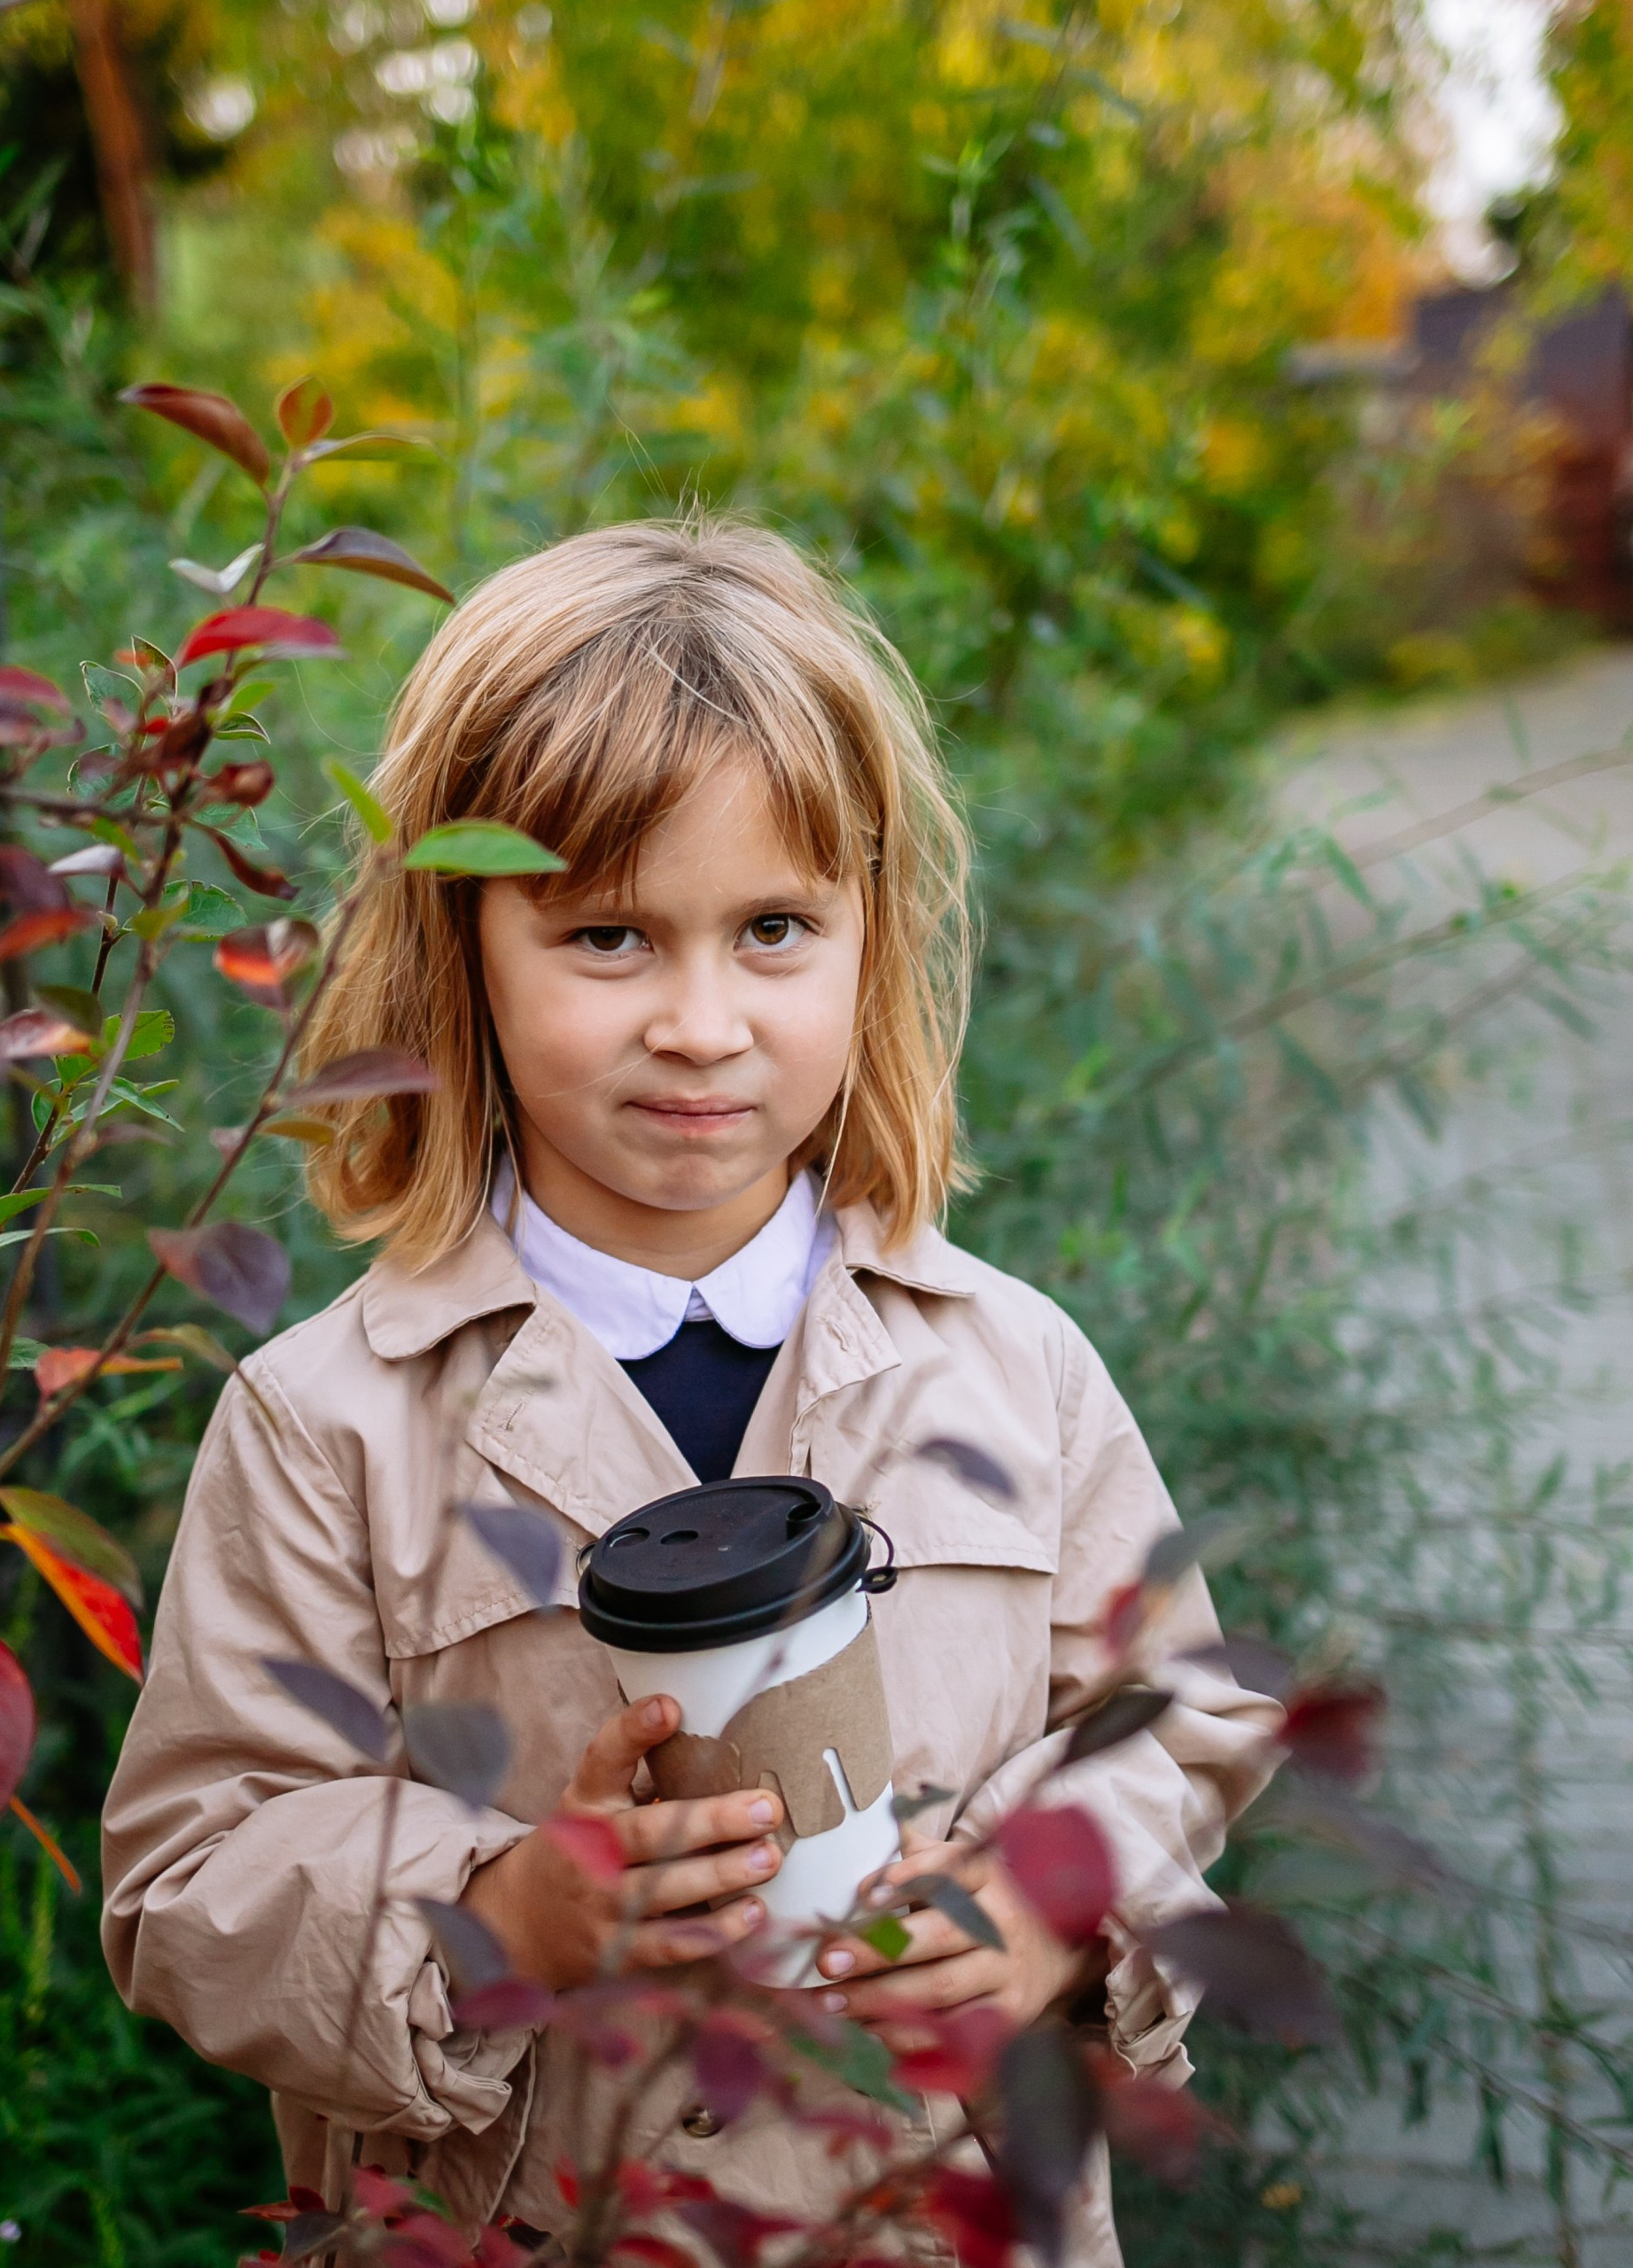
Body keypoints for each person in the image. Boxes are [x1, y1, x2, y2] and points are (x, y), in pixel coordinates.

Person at [99, 517, 1279, 2264]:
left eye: (773, 928)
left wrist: (1052, 1903)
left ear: (870, 936)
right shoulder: (325, 1422)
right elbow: (192, 1877)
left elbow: (1172, 1718)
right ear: (461, 948)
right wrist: (503, 1911)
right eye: (609, 938)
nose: (703, 1021)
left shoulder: (1009, 1364)